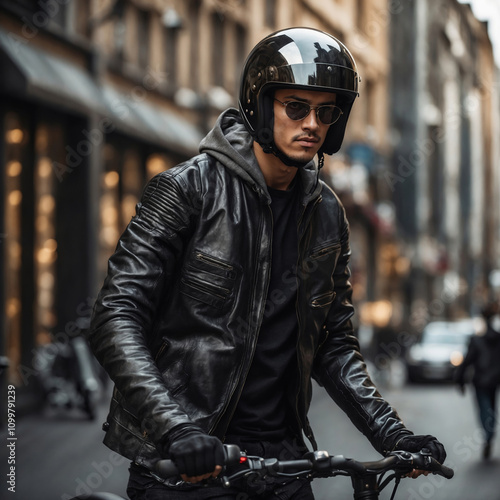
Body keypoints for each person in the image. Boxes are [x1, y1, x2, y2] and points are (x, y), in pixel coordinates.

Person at [88, 27, 446, 499]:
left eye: (325, 112)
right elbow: (116, 314)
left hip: (286, 462)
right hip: (189, 461)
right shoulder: (188, 190)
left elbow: (333, 343)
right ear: (261, 106)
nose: (312, 124)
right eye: (296, 107)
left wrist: (392, 434)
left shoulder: (327, 214)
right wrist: (175, 429)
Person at [455, 301, 500, 459]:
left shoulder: (476, 340)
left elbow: (466, 361)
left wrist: (459, 380)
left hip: (481, 381)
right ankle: (490, 434)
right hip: (494, 381)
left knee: (484, 410)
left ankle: (488, 436)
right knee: (491, 409)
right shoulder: (497, 339)